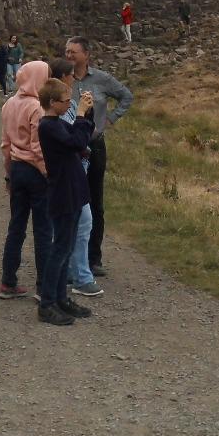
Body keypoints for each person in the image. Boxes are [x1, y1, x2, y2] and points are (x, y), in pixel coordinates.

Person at [65, 36, 133, 279]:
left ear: (86, 54)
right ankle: (70, 257)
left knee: (95, 202)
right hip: (69, 148)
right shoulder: (62, 79)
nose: (69, 55)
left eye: (73, 52)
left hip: (95, 146)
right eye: (67, 51)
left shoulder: (102, 79)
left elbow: (126, 96)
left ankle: (94, 258)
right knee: (70, 202)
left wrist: (109, 120)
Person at [36, 78, 97, 325]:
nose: (69, 104)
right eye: (65, 101)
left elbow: (78, 135)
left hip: (72, 190)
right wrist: (81, 114)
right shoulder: (48, 126)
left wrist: (86, 115)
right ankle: (47, 303)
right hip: (62, 192)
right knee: (59, 248)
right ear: (52, 103)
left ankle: (60, 298)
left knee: (67, 246)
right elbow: (76, 141)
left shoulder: (57, 124)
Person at [0, 60, 53, 301]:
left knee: (16, 226)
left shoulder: (9, 103)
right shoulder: (37, 108)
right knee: (43, 230)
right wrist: (47, 173)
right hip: (34, 171)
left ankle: (8, 281)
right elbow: (37, 147)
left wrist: (9, 174)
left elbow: (5, 144)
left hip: (17, 169)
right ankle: (44, 287)